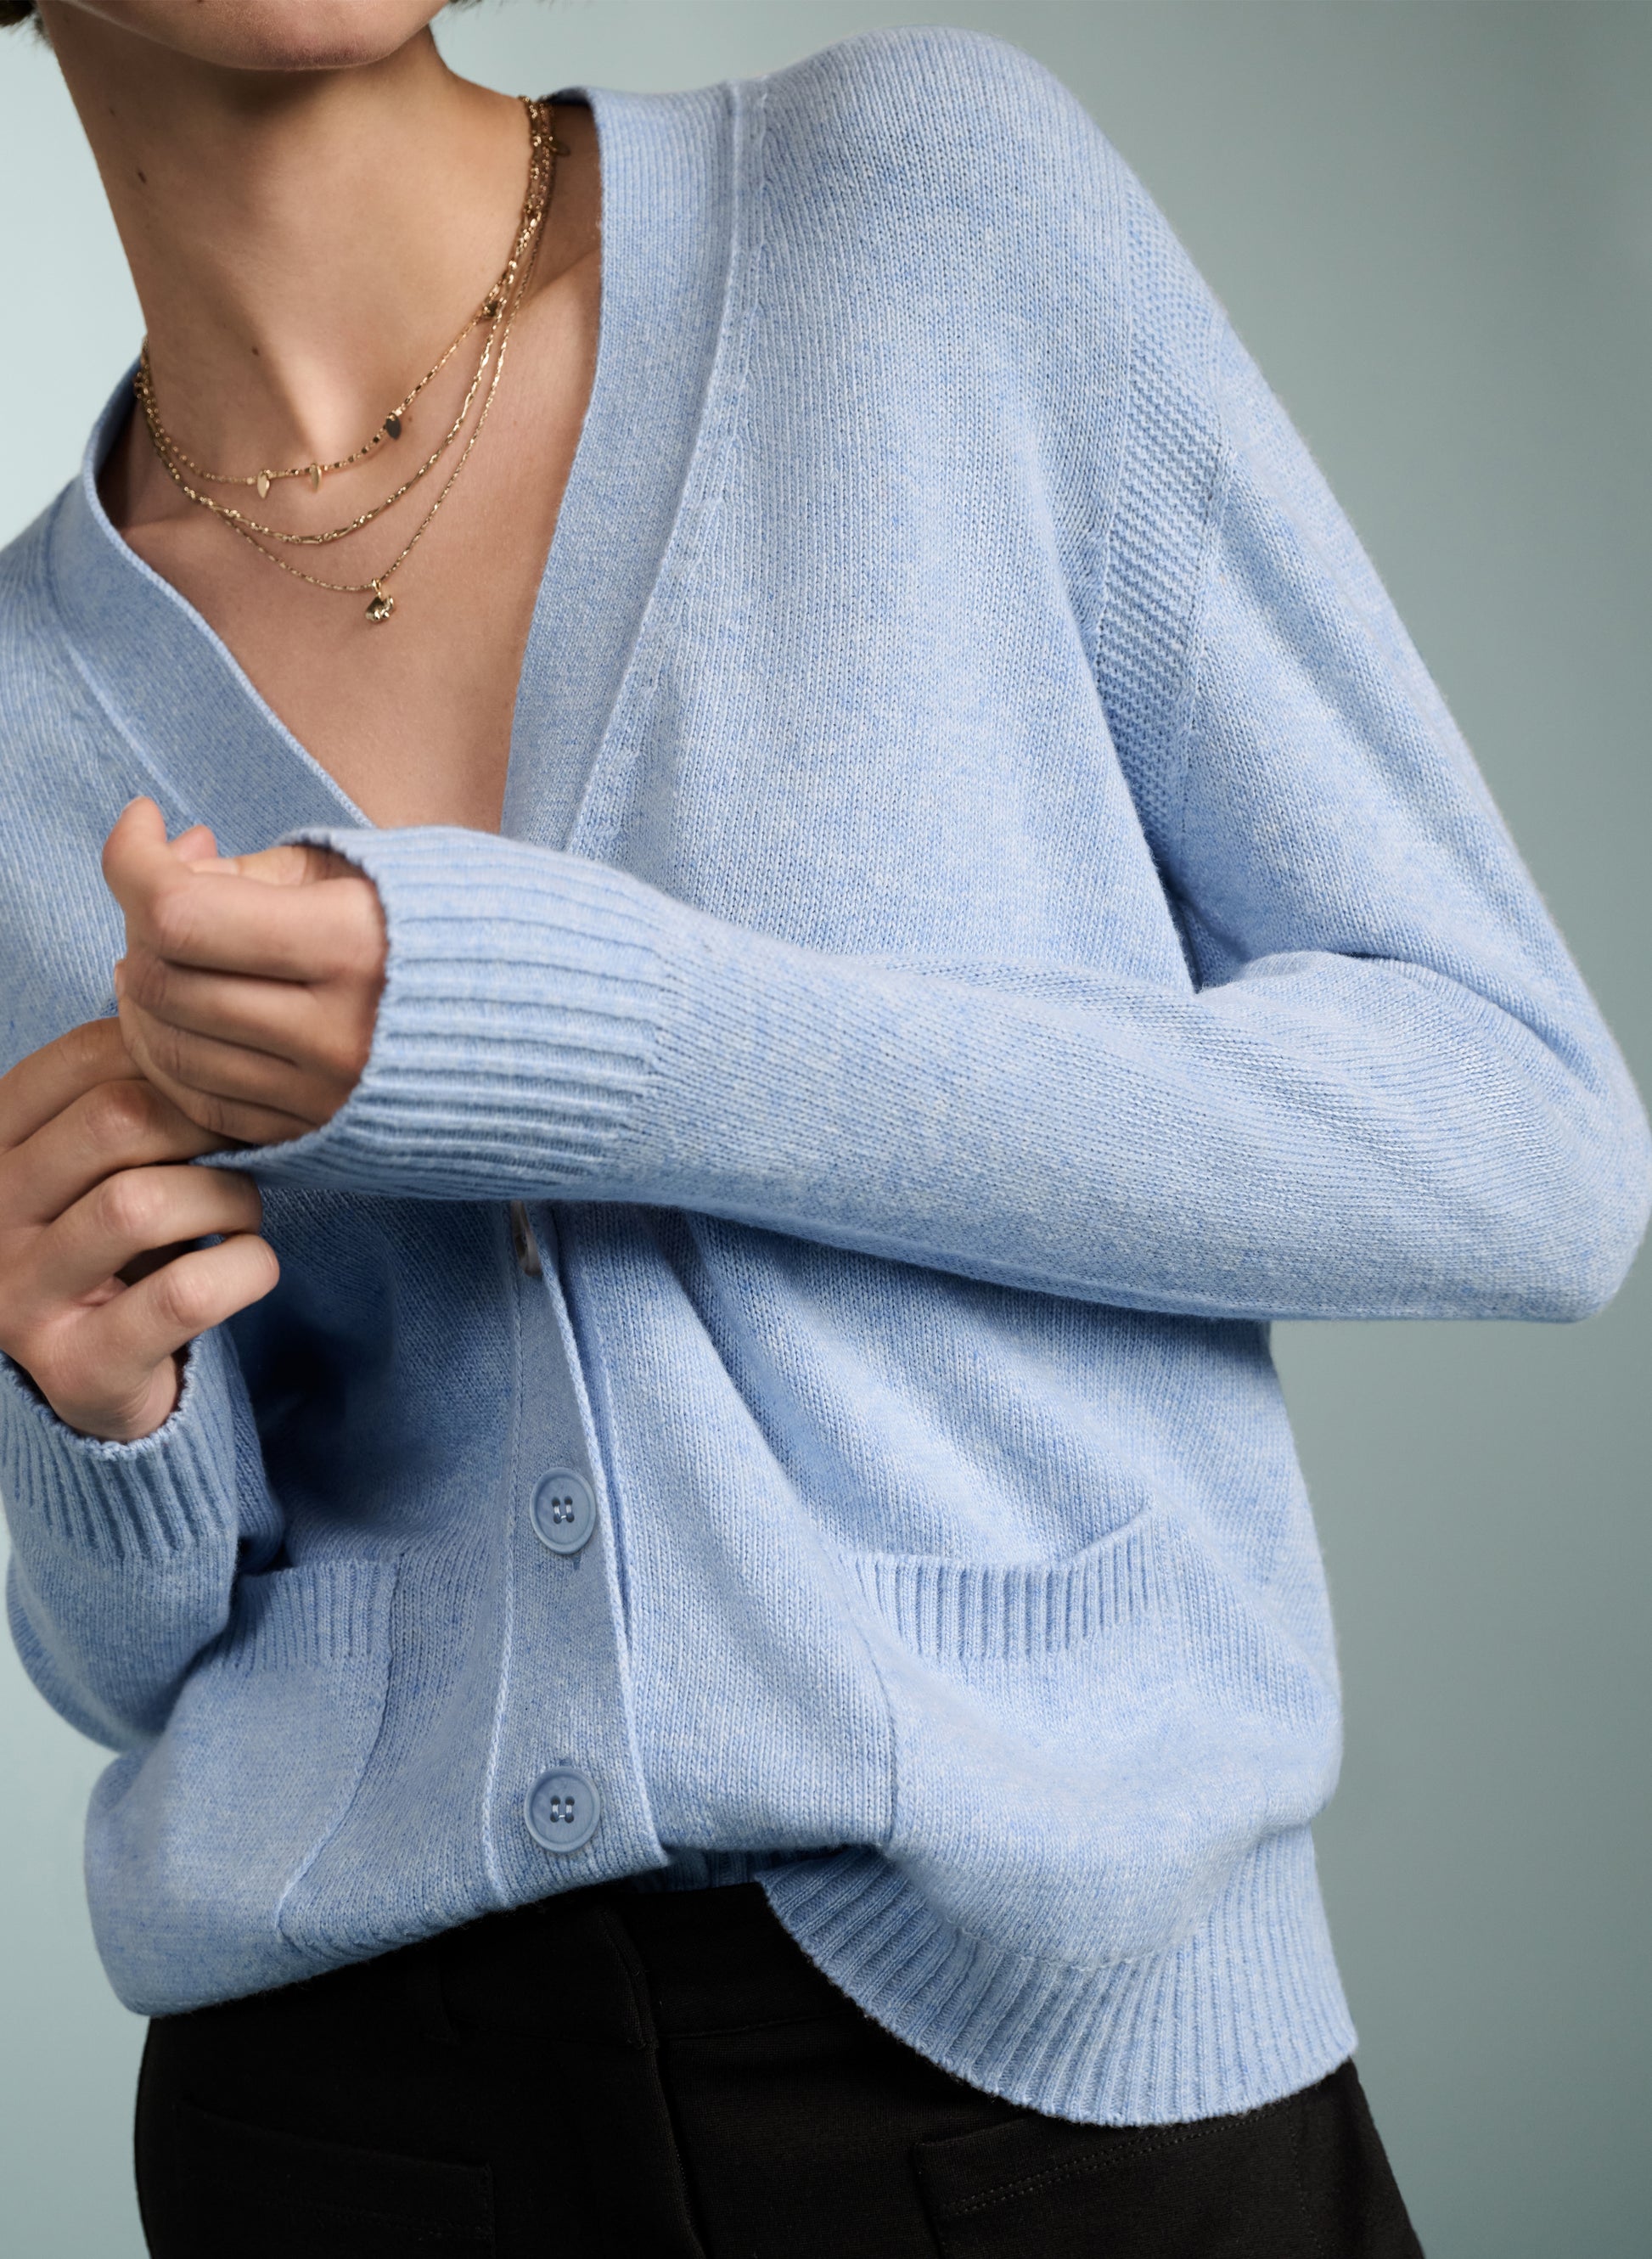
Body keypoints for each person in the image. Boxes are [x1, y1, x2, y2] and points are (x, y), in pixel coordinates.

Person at [0, 3, 1644, 2253]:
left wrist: (621, 1035)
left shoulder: (909, 218)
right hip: (344, 2135)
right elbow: (136, 1662)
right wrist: (95, 1422)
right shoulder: (23, 714)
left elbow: (1523, 1139)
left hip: (1054, 2073)